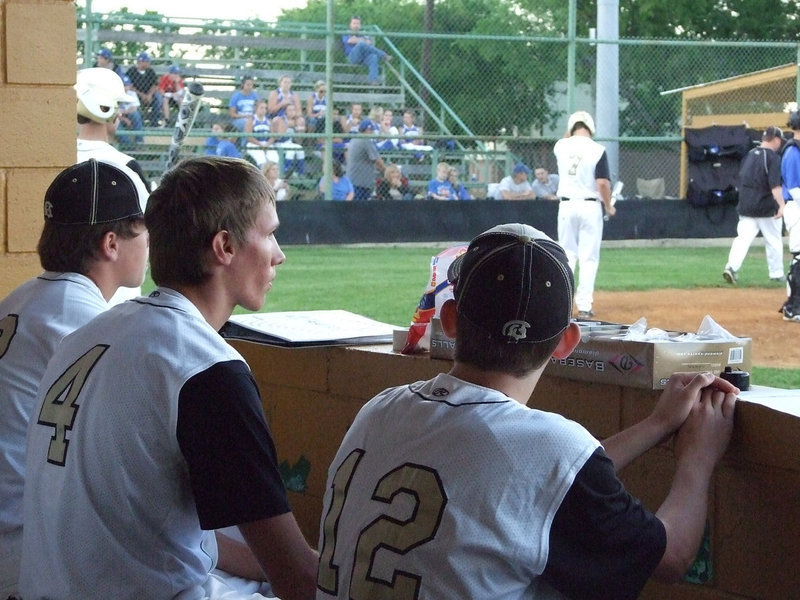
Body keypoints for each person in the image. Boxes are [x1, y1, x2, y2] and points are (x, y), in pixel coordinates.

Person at [315, 222, 738, 600]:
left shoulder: (380, 408)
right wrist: (697, 461)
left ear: (450, 321)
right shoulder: (547, 450)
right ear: (566, 343)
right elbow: (671, 555)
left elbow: (539, 485)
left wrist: (657, 425)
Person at [19, 156, 319, 600]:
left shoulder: (87, 334)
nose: (279, 254)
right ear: (224, 247)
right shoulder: (206, 370)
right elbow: (295, 577)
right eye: (270, 233)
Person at [0, 160, 149, 598]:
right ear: (110, 243)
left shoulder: (19, 299)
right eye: (141, 228)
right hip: (21, 546)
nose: (149, 240)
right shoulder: (86, 320)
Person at [76, 67, 151, 306]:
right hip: (117, 299)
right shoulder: (127, 167)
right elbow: (148, 229)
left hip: (69, 293)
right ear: (108, 111)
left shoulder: (54, 160)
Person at [554, 110, 616, 319]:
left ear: (571, 128)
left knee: (566, 254)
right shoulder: (597, 149)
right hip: (590, 207)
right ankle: (585, 305)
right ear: (591, 128)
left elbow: (565, 139)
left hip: (566, 206)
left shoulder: (561, 146)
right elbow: (603, 183)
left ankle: (562, 302)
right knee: (588, 258)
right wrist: (608, 206)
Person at [723, 126, 786, 285]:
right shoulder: (772, 157)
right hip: (765, 207)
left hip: (746, 205)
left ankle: (731, 267)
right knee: (773, 240)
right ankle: (776, 273)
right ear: (776, 139)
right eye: (780, 140)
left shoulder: (750, 154)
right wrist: (781, 205)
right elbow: (775, 186)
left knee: (742, 239)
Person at [780, 111, 800, 322]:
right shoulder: (793, 152)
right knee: (799, 257)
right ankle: (792, 307)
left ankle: (794, 302)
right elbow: (794, 188)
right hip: (796, 206)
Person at [341, 15, 391, 85]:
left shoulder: (363, 32)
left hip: (364, 58)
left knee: (373, 57)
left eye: (358, 23)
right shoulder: (346, 32)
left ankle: (373, 80)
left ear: (360, 25)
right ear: (350, 24)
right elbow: (350, 41)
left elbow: (369, 42)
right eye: (354, 23)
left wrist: (357, 40)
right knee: (361, 44)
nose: (356, 25)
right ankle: (383, 55)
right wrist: (362, 40)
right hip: (352, 57)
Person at [346, 120, 385, 200]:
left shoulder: (354, 139)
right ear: (367, 130)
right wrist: (386, 171)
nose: (372, 132)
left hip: (354, 179)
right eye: (371, 130)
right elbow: (378, 160)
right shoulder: (365, 141)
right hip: (360, 182)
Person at [125, 51, 163, 127]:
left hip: (149, 95)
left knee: (158, 97)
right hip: (136, 94)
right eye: (147, 61)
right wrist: (141, 95)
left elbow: (155, 85)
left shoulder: (150, 71)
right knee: (133, 97)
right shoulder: (131, 71)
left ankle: (154, 122)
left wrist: (149, 95)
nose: (149, 63)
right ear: (141, 62)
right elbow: (129, 86)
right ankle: (140, 123)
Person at [271, 103, 306, 177]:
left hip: (289, 143)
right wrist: (287, 126)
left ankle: (300, 173)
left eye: (293, 110)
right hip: (279, 143)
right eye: (289, 110)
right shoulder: (280, 119)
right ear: (285, 111)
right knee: (291, 150)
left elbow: (298, 141)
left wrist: (299, 131)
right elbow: (279, 137)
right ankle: (287, 171)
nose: (292, 112)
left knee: (300, 149)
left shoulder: (295, 120)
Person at [245, 99, 277, 168]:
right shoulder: (251, 120)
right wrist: (260, 145)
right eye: (261, 108)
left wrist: (267, 145)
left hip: (267, 144)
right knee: (261, 159)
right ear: (256, 109)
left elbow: (273, 136)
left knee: (275, 159)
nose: (264, 110)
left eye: (265, 108)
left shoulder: (269, 121)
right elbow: (249, 137)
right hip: (254, 144)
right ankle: (263, 177)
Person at [115, 74, 144, 150]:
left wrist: (124, 112)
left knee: (135, 114)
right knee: (116, 123)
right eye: (123, 85)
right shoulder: (114, 95)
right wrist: (124, 119)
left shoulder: (132, 94)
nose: (125, 88)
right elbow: (113, 112)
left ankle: (139, 142)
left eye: (126, 85)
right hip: (118, 118)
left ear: (130, 86)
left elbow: (134, 109)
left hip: (129, 116)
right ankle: (130, 147)